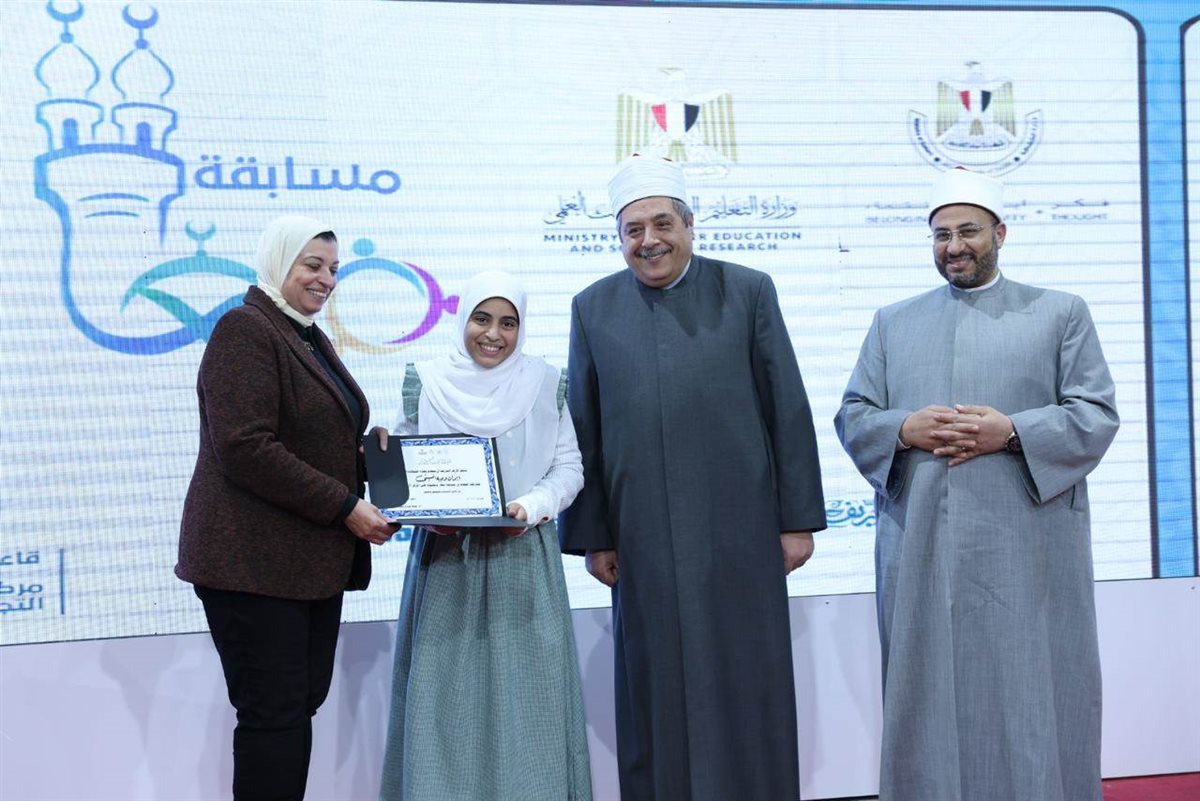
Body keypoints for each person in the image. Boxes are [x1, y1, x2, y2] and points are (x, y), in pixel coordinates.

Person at [834, 168, 1120, 801]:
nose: (954, 246)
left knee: (1032, 683)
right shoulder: (892, 323)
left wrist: (1012, 432)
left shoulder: (1060, 313)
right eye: (941, 235)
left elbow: (1095, 414)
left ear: (1000, 233)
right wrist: (903, 427)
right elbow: (853, 415)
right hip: (922, 548)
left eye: (968, 232)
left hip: (1027, 546)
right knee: (926, 687)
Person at [560, 156, 827, 801]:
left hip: (741, 531)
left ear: (689, 225)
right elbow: (585, 428)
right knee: (655, 683)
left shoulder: (748, 290)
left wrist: (796, 522)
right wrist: (596, 536)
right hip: (641, 538)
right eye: (632, 230)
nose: (648, 241)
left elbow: (786, 407)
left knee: (747, 675)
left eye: (661, 224)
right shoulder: (593, 307)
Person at [176, 215, 395, 801]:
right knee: (273, 716)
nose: (326, 279)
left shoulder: (304, 335)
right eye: (312, 265)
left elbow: (310, 438)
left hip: (302, 565)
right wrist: (346, 506)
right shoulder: (245, 329)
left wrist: (372, 459)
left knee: (295, 710)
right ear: (279, 263)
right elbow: (245, 447)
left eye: (334, 269)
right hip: (250, 566)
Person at [378, 270, 593, 801]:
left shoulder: (545, 383)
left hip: (523, 557)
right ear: (462, 320)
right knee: (443, 702)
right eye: (481, 318)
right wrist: (417, 506)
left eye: (508, 323)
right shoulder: (427, 381)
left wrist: (531, 506)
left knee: (530, 699)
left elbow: (569, 467)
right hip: (446, 561)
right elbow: (404, 462)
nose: (493, 334)